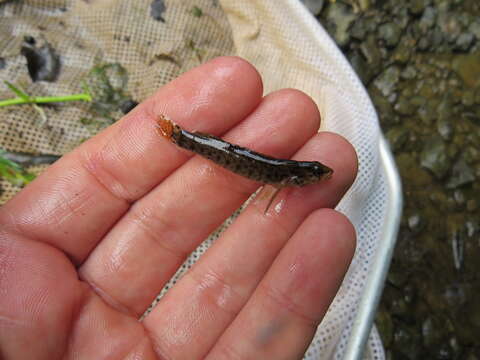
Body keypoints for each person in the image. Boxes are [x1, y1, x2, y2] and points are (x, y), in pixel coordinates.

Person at [0, 57, 357, 359]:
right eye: (317, 175)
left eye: (318, 174)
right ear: (297, 181)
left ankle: (180, 136)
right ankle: (179, 137)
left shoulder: (287, 176)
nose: (319, 176)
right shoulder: (287, 178)